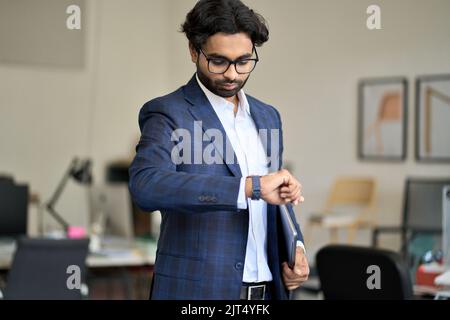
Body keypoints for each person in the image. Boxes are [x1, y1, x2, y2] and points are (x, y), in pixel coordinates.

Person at [129, 0, 309, 300]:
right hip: (199, 295)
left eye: (243, 61)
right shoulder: (168, 113)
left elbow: (276, 200)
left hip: (267, 292)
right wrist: (249, 187)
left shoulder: (268, 116)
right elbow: (146, 185)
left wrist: (297, 246)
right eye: (218, 61)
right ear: (193, 51)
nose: (232, 74)